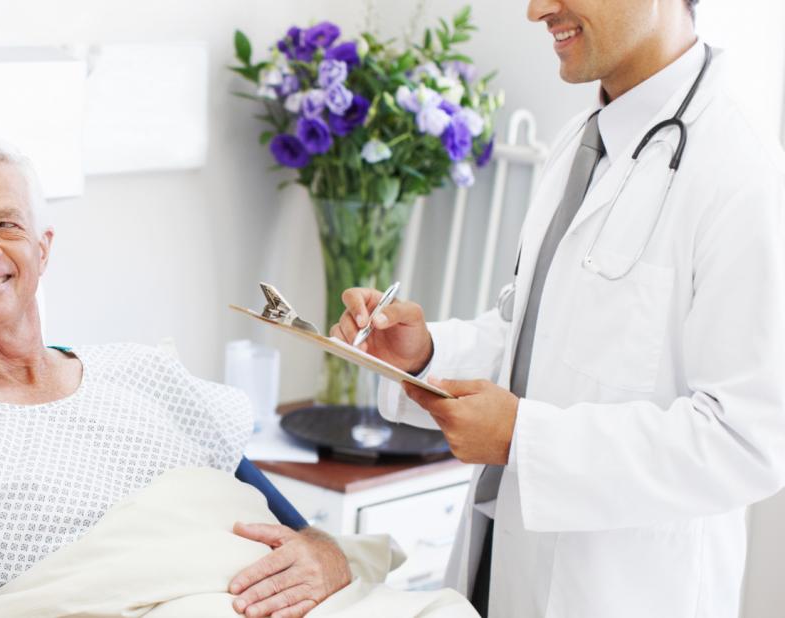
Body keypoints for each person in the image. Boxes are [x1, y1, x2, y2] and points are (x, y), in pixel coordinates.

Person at [333, 0, 785, 616]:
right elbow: (533, 338)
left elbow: (747, 441)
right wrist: (427, 354)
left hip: (623, 592)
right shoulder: (581, 141)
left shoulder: (744, 172)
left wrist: (525, 438)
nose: (536, 9)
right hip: (499, 562)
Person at [0, 131, 353, 617]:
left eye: (7, 224)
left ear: (42, 249)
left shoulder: (140, 370)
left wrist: (327, 553)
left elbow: (296, 527)